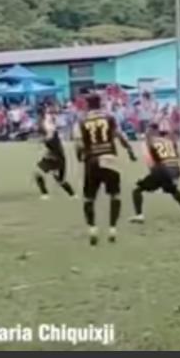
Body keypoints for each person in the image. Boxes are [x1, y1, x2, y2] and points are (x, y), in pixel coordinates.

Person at [75, 94, 137, 246]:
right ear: (101, 104)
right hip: (109, 158)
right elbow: (120, 135)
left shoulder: (82, 121)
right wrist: (129, 150)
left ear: (87, 105)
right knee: (115, 195)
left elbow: (79, 144)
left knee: (89, 197)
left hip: (92, 159)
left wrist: (79, 156)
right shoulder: (110, 118)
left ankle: (93, 229)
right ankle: (112, 229)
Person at [129, 123, 180, 223]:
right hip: (175, 170)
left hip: (162, 170)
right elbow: (176, 156)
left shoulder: (149, 141)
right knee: (172, 189)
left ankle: (139, 215)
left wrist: (152, 175)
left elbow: (150, 160)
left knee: (137, 190)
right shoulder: (168, 141)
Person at [33, 108, 75, 201]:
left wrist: (43, 139)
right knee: (57, 179)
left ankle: (46, 194)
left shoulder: (47, 125)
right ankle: (72, 195)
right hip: (54, 155)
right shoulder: (47, 124)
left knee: (44, 175)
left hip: (56, 156)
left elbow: (49, 135)